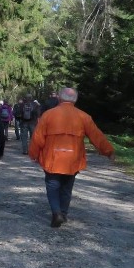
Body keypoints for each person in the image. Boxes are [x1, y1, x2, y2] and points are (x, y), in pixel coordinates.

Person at [28, 87, 115, 228]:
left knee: (52, 185)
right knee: (67, 188)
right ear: (75, 100)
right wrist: (108, 151)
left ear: (59, 98)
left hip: (52, 158)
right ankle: (63, 213)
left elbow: (38, 138)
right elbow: (96, 136)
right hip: (72, 160)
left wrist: (33, 154)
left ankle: (56, 213)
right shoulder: (84, 116)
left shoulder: (49, 115)